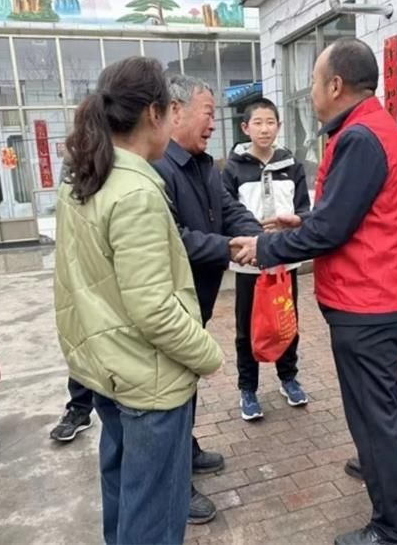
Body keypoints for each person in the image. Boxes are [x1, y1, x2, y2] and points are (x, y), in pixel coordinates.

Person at [231, 38, 397, 545]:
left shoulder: (359, 137)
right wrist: (306, 220)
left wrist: (264, 248)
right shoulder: (375, 127)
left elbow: (332, 230)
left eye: (314, 81)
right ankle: (393, 468)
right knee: (383, 399)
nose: (311, 91)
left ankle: (395, 527)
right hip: (386, 292)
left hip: (368, 300)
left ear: (335, 85)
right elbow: (348, 214)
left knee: (370, 414)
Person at [54, 57, 223, 545]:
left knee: (124, 494)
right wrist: (208, 356)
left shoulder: (85, 176)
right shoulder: (134, 191)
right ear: (154, 113)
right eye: (171, 111)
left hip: (109, 367)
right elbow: (155, 310)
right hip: (148, 380)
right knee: (154, 515)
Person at [151, 74, 265, 524]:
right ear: (175, 111)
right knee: (169, 390)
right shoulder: (159, 167)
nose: (213, 123)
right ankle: (175, 484)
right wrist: (228, 248)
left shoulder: (203, 164)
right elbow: (173, 238)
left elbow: (228, 209)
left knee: (186, 383)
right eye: (208, 113)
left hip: (197, 298)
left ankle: (187, 447)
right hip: (170, 302)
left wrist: (258, 239)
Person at [222, 98, 311, 421]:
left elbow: (304, 211)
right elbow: (226, 213)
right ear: (245, 128)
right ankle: (248, 388)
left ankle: (289, 378)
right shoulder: (233, 168)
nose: (264, 129)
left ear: (279, 126)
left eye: (270, 122)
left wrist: (293, 226)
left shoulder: (292, 165)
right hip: (249, 264)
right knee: (248, 327)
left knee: (287, 321)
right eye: (257, 123)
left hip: (285, 261)